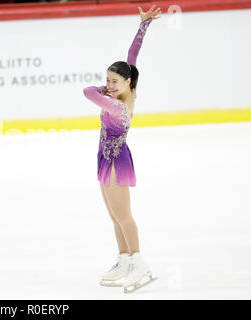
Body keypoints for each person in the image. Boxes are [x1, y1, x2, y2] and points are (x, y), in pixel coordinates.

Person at [82, 5, 161, 293]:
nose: (109, 85)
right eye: (107, 80)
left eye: (114, 81)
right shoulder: (127, 87)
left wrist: (102, 90)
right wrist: (143, 26)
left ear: (128, 82)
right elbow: (132, 57)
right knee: (114, 215)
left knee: (124, 215)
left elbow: (87, 92)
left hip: (117, 161)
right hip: (105, 158)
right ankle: (124, 259)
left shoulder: (117, 104)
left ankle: (139, 262)